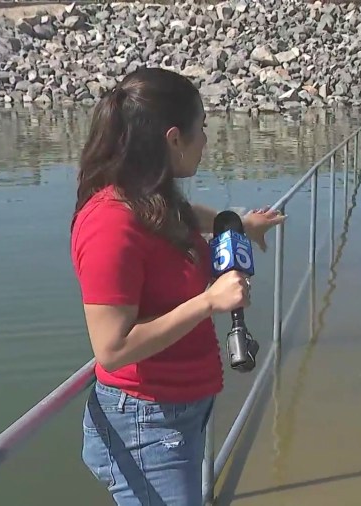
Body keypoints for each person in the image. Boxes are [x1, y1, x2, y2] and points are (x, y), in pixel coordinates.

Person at [69, 67, 285, 506]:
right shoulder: (109, 222)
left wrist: (241, 224)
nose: (206, 140)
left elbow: (183, 215)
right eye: (201, 129)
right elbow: (111, 348)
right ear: (173, 139)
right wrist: (208, 301)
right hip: (147, 424)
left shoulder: (151, 195)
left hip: (178, 411)